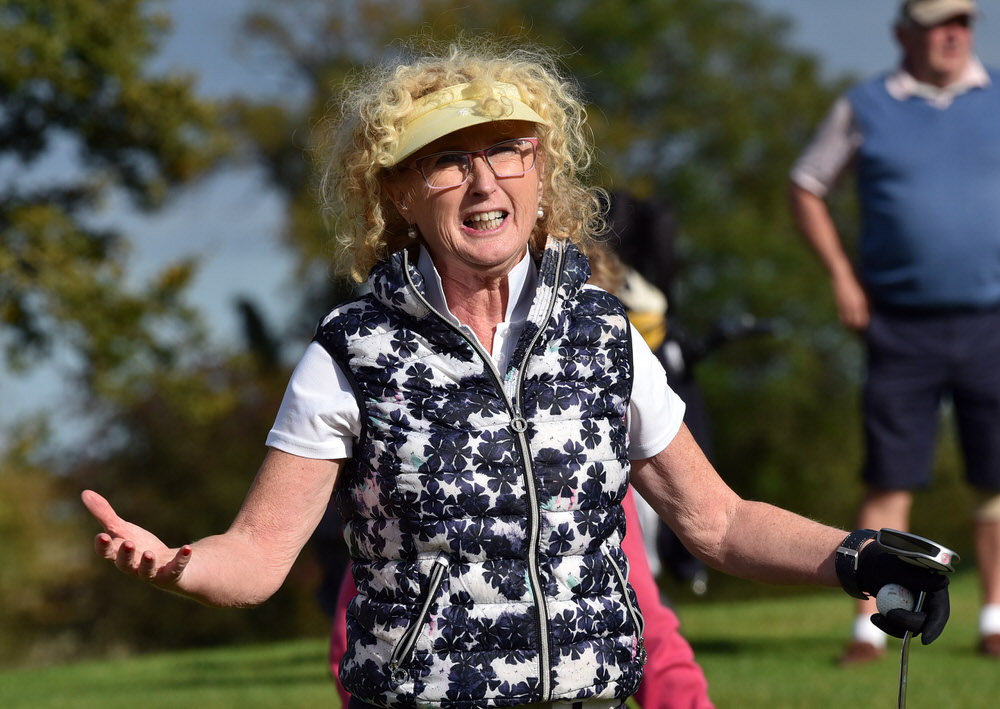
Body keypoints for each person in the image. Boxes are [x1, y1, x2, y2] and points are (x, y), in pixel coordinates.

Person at [84, 39, 953, 709]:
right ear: (398, 193)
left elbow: (719, 521)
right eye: (446, 160)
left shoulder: (605, 335)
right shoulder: (353, 352)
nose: (482, 180)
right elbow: (261, 553)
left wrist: (858, 555)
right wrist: (183, 564)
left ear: (541, 171)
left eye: (506, 150)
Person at [789, 0, 1000, 664]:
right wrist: (843, 278)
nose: (953, 33)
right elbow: (807, 184)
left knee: (996, 476)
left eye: (963, 20)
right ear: (902, 33)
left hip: (990, 319)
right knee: (890, 475)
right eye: (938, 22)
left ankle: (996, 619)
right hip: (898, 322)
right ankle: (870, 628)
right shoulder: (865, 105)